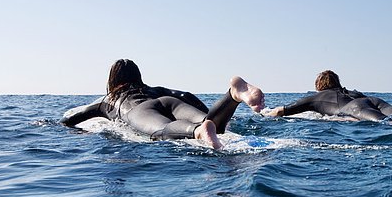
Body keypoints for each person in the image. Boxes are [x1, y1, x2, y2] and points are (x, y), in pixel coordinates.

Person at [60, 59, 265, 149]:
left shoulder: (108, 101)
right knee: (210, 123)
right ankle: (233, 95)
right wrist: (206, 114)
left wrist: (57, 124)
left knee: (162, 129)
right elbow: (185, 94)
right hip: (169, 102)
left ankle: (198, 131)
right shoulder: (154, 89)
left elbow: (75, 118)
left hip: (139, 110)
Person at [262, 70, 392, 127]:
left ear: (319, 87)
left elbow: (283, 110)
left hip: (354, 109)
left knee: (388, 123)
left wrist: (266, 112)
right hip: (371, 100)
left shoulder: (316, 97)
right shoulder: (350, 90)